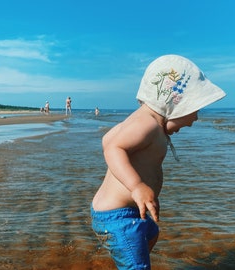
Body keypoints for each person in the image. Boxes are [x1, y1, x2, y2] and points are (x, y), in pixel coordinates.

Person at [90, 54, 226, 269]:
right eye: (195, 110)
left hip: (129, 213)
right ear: (175, 104)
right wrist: (137, 187)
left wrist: (147, 194)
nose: (195, 119)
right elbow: (114, 147)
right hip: (118, 218)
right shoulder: (148, 125)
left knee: (151, 234)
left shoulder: (143, 121)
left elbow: (107, 139)